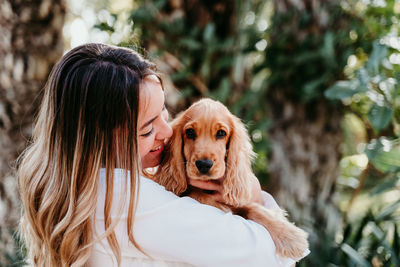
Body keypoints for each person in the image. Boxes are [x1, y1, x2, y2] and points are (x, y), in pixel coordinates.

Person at [18, 43, 306, 266]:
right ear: (100, 140)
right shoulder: (124, 199)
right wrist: (254, 196)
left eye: (163, 114)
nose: (168, 133)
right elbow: (273, 257)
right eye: (146, 130)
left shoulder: (82, 188)